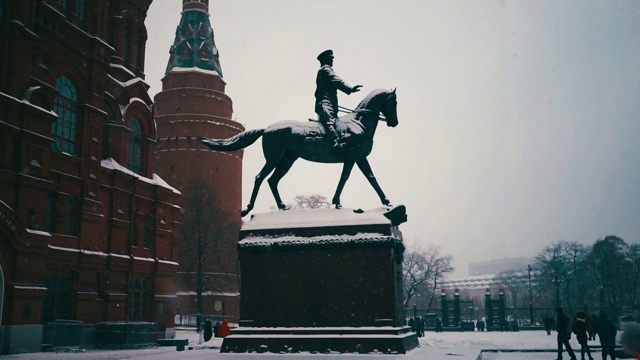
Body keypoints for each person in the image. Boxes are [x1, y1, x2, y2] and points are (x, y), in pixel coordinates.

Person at [314, 49, 362, 147]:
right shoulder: (325, 69)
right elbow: (338, 81)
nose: (332, 60)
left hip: (330, 103)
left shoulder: (325, 69)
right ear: (324, 60)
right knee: (329, 122)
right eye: (330, 58)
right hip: (325, 103)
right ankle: (335, 143)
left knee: (335, 122)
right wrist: (350, 88)